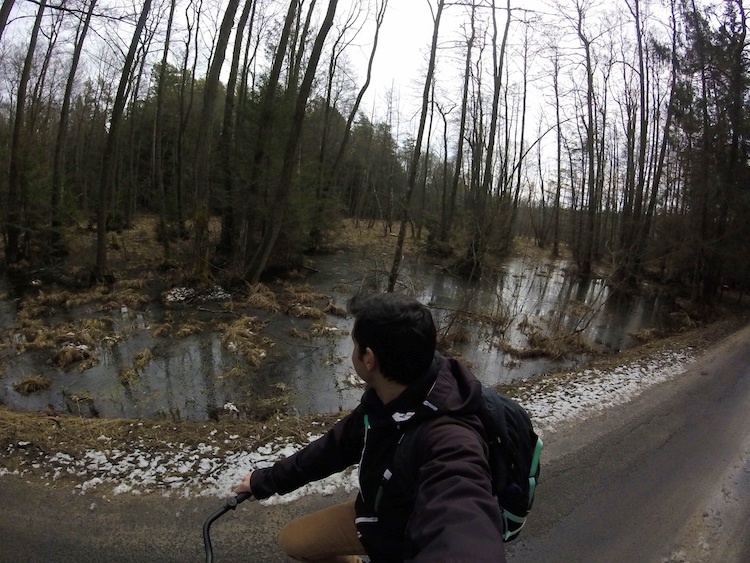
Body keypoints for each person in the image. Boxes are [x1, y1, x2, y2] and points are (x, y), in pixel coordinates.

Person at [234, 292, 506, 562]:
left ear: (368, 359)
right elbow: (337, 446)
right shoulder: (390, 395)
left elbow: (464, 525)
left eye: (354, 344)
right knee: (293, 540)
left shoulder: (451, 438)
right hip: (379, 519)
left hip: (407, 539)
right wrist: (265, 480)